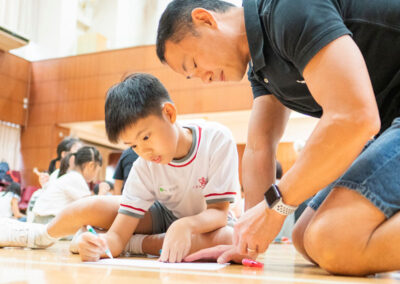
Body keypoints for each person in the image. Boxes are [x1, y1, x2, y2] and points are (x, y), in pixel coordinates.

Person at [156, 0, 400, 275]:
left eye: (195, 64)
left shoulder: (288, 9)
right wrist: (246, 237)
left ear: (205, 19)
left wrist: (275, 208)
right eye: (193, 76)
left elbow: (354, 118)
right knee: (303, 236)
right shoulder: (261, 68)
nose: (205, 78)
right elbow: (260, 147)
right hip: (390, 124)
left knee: (332, 239)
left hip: (383, 122)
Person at [0, 73, 240, 264]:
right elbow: (117, 234)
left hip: (205, 222)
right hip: (162, 214)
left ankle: (136, 245)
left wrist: (185, 225)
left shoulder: (217, 140)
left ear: (169, 113)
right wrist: (97, 247)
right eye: (133, 145)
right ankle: (38, 235)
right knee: (90, 205)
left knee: (230, 238)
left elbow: (219, 212)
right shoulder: (144, 165)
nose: (143, 151)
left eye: (146, 137)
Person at [31, 146, 102, 224]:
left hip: (39, 219)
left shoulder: (69, 175)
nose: (96, 175)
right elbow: (90, 209)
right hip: (48, 221)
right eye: (97, 171)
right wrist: (102, 193)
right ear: (91, 165)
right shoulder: (76, 177)